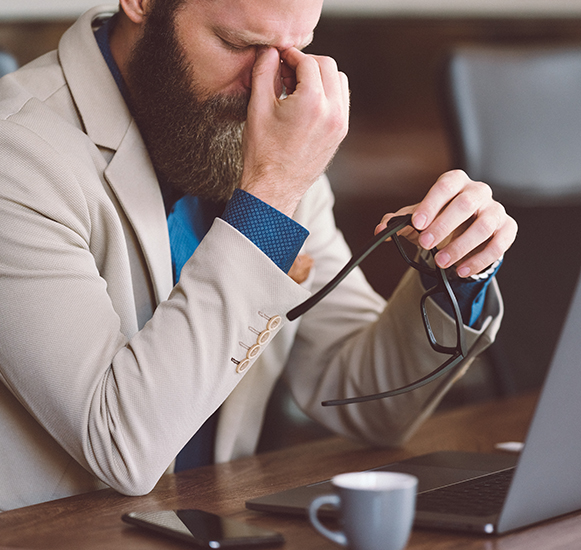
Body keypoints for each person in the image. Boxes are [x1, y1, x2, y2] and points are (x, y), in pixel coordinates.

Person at [0, 0, 516, 511]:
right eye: (238, 45)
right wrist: (270, 199)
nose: (271, 83)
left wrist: (453, 273)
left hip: (213, 521)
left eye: (294, 50)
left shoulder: (268, 132)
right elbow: (120, 445)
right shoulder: (16, 155)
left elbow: (367, 401)